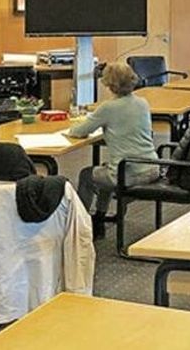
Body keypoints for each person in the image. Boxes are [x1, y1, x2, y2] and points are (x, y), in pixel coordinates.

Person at [67, 62, 159, 238]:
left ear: (109, 84)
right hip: (151, 167)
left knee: (87, 175)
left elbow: (79, 132)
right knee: (105, 169)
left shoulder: (108, 108)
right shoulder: (142, 103)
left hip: (129, 172)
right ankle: (99, 219)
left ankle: (80, 226)